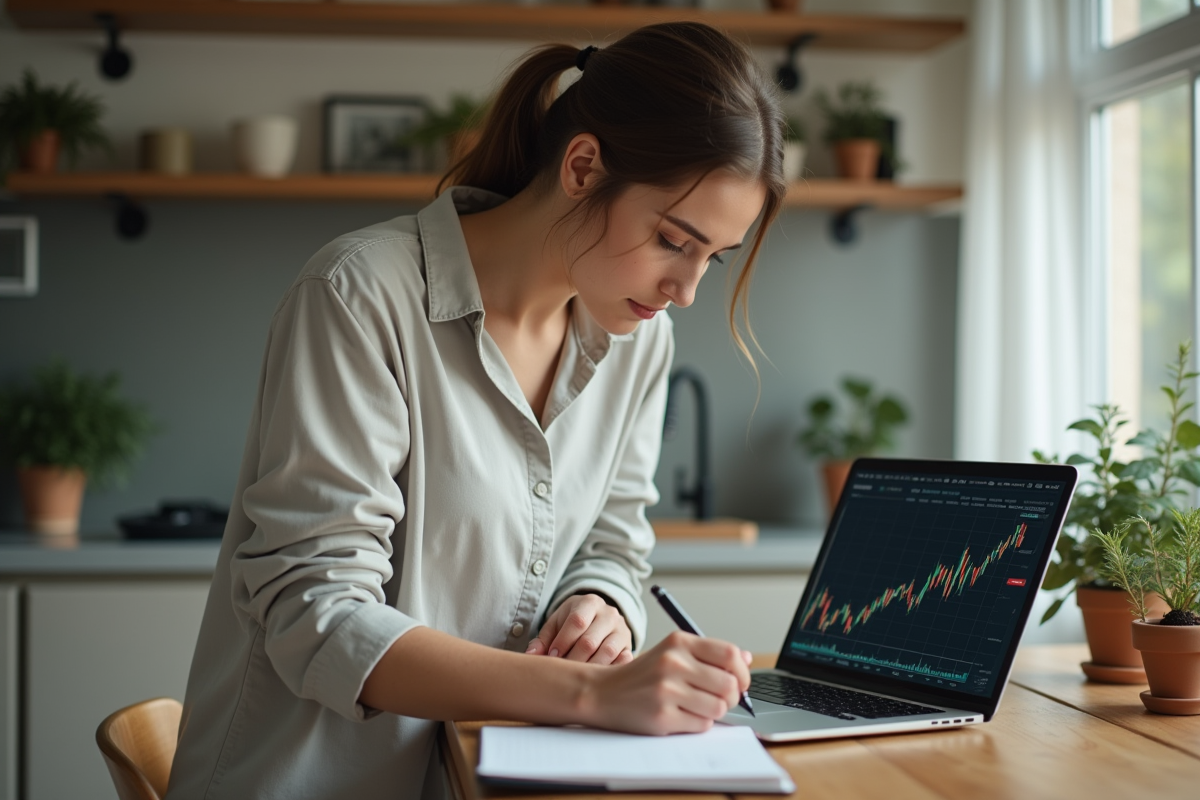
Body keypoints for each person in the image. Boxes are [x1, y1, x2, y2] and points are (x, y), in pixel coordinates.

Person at [166, 21, 786, 800]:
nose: (686, 291)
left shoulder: (637, 341)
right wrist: (595, 695)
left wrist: (599, 605)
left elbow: (614, 540)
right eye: (673, 240)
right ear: (584, 166)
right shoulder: (359, 296)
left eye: (712, 259)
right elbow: (315, 613)